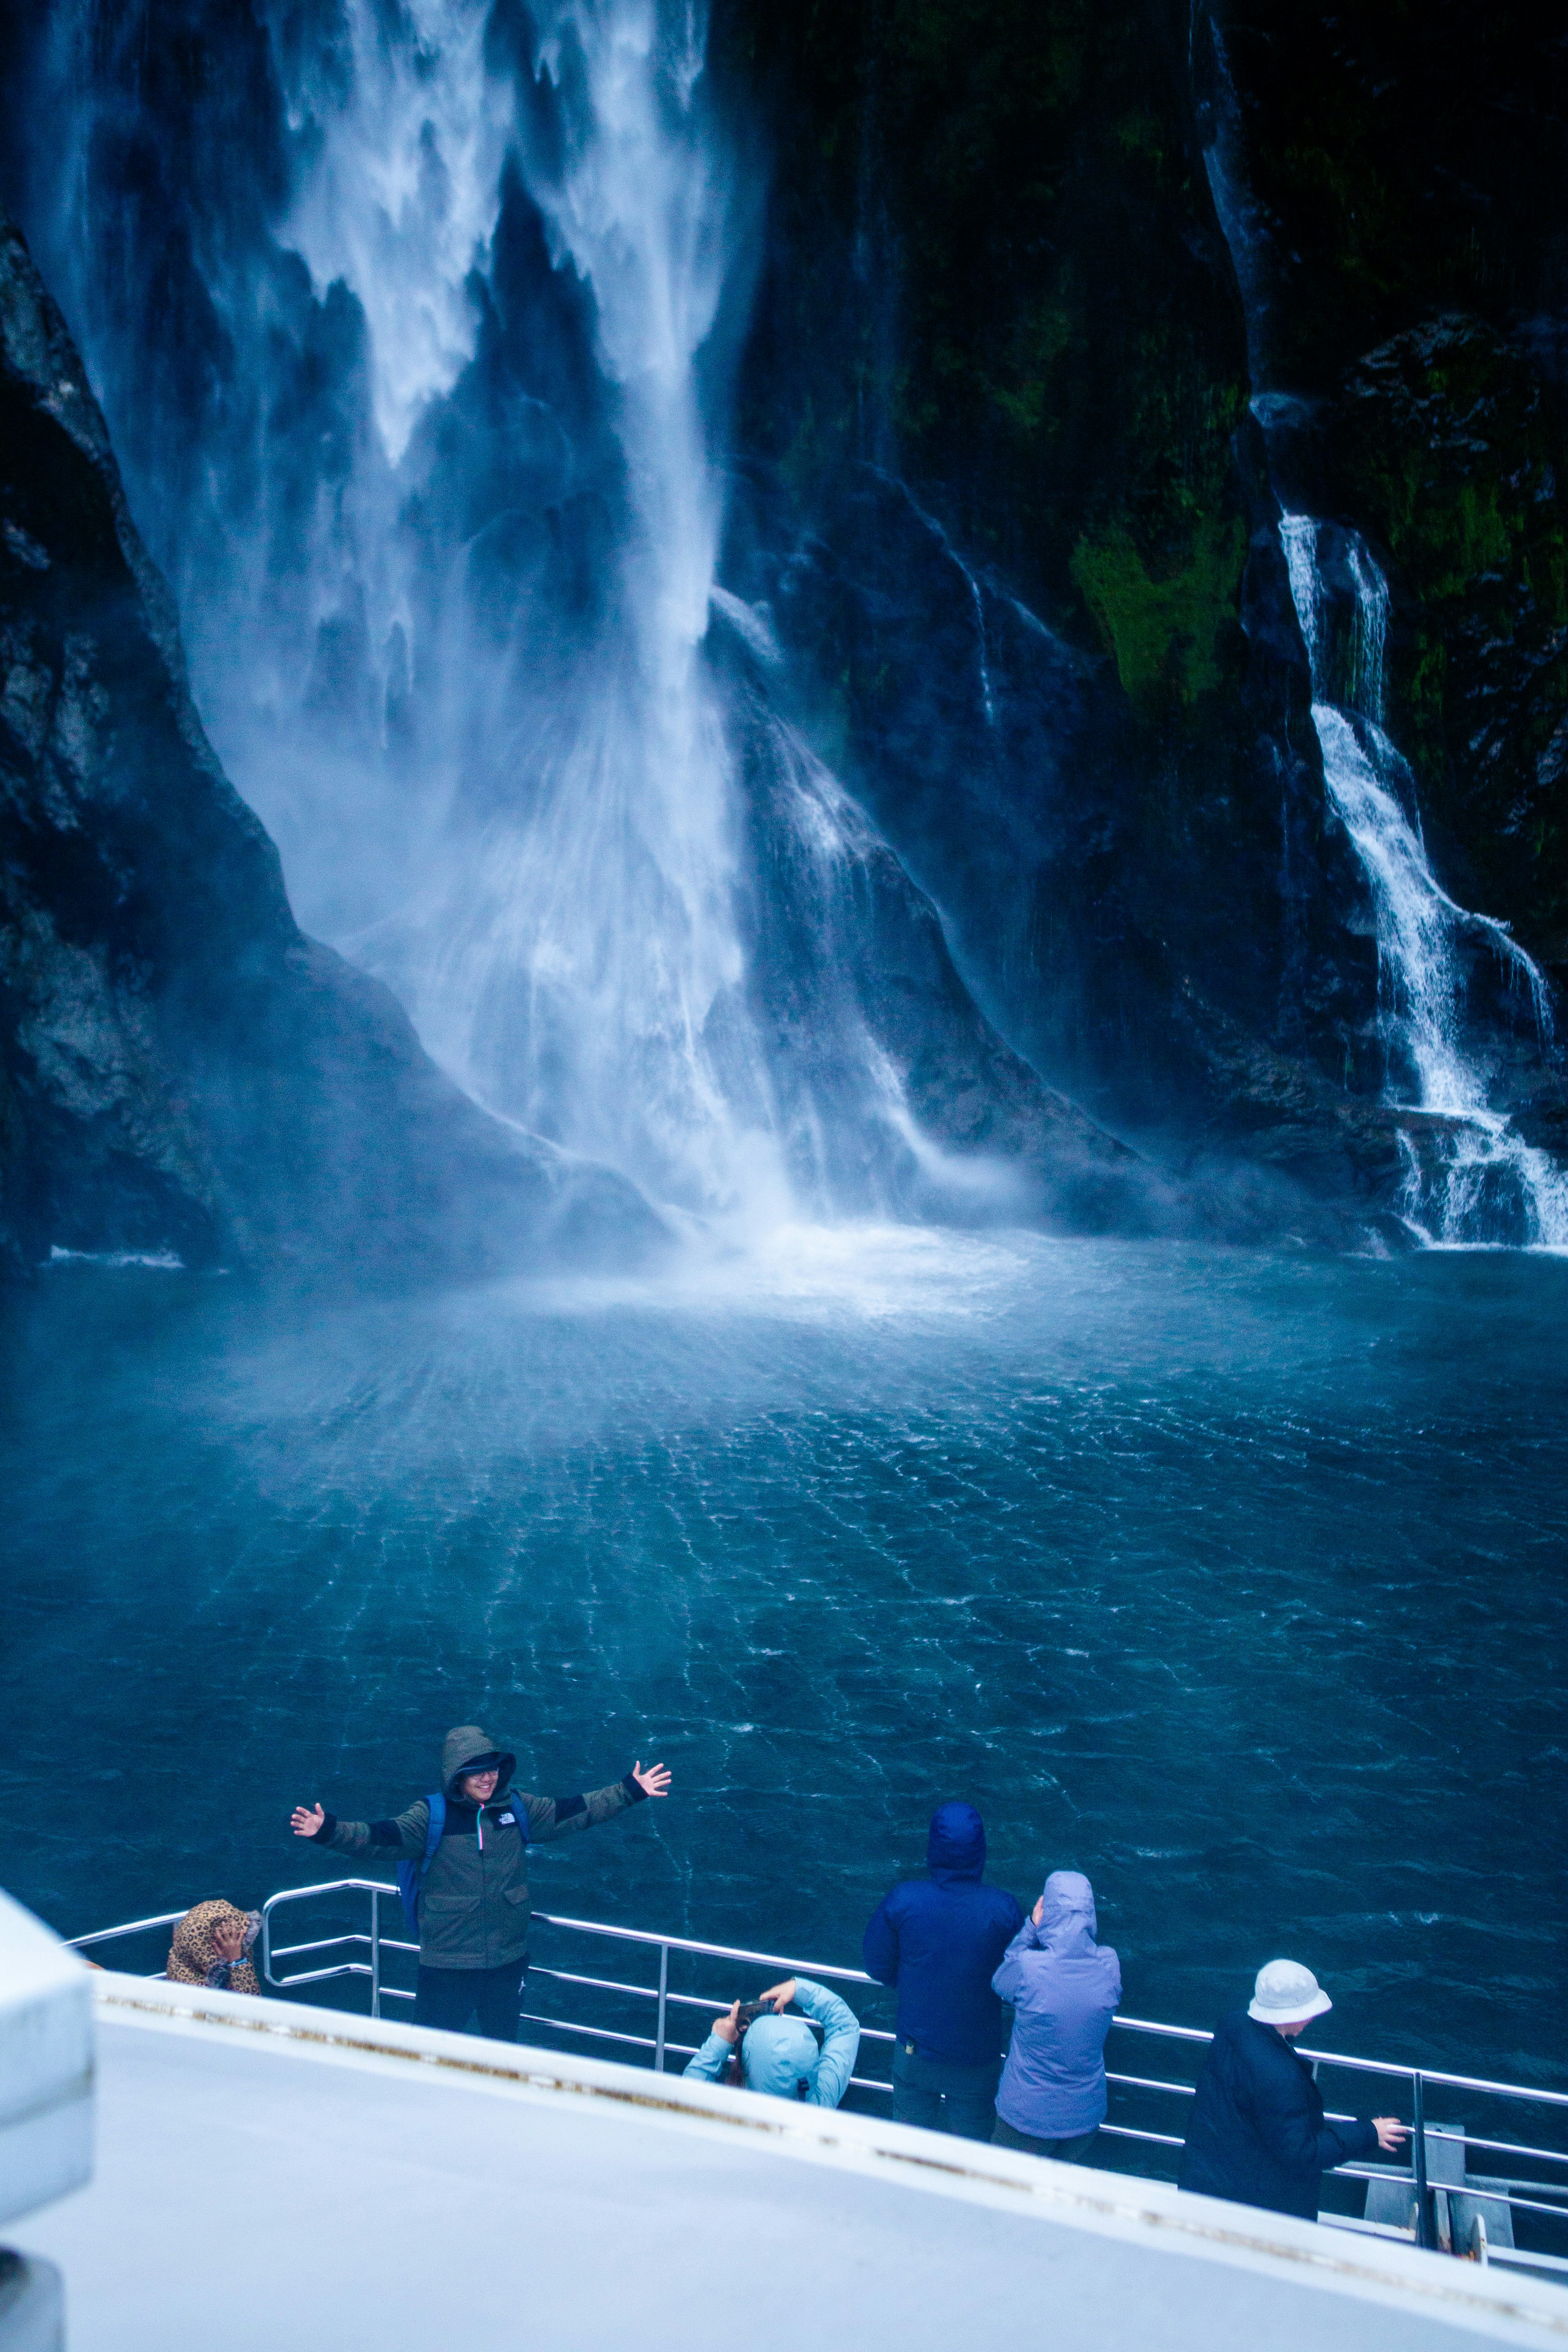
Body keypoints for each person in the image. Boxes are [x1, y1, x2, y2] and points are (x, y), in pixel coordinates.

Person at [289, 1722, 670, 2042]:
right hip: (447, 1962)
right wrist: (329, 1831)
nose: (488, 1777)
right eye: (477, 1770)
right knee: (430, 2053)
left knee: (502, 2053)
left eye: (493, 1768)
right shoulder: (430, 1816)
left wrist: (629, 1791)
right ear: (457, 1775)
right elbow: (381, 1837)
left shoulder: (517, 1808)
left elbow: (574, 1811)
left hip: (507, 1960)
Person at [1178, 1958, 1407, 2221]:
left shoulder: (1232, 2025)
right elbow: (1303, 2153)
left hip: (1208, 2180)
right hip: (1253, 2206)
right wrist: (1369, 2133)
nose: (1312, 2018)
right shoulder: (1280, 2076)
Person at [862, 1802, 1024, 2139]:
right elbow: (1021, 1981)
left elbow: (877, 1965)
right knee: (972, 2148)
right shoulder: (1003, 1908)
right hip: (976, 2059)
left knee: (909, 2145)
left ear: (933, 1846)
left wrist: (913, 1981)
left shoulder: (904, 1900)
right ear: (980, 1849)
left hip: (915, 2052)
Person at [991, 1870, 1120, 2161]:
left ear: (1047, 1910)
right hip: (1083, 2118)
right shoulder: (1110, 1963)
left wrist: (1031, 1927)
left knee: (1005, 2191)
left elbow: (1001, 1981)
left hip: (1026, 2116)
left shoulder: (1029, 1966)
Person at [684, 1976, 860, 2107]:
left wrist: (719, 2043)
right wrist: (799, 1990)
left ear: (747, 2069)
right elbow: (844, 2027)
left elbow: (686, 2100)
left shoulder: (729, 2117)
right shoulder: (821, 2102)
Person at [167, 1900, 262, 1994]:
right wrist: (237, 1962)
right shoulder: (195, 1990)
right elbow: (252, 2004)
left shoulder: (186, 1954)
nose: (236, 1946)